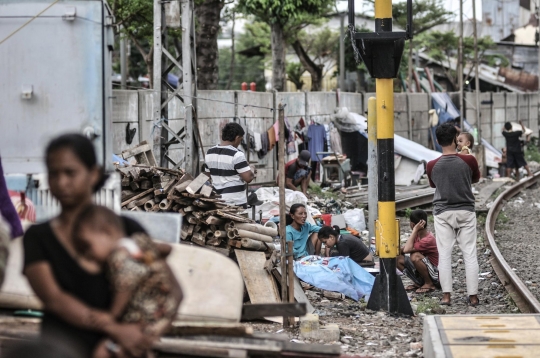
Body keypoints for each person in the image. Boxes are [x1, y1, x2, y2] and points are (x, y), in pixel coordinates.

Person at [23, 134, 154, 357]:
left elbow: (160, 286)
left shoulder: (127, 228)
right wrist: (115, 329)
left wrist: (132, 335)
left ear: (93, 174)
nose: (61, 182)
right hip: (59, 350)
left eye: (70, 173)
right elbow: (54, 299)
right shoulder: (38, 237)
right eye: (54, 174)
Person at [72, 205, 183, 358]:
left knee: (104, 352)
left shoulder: (119, 256)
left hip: (147, 314)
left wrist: (111, 315)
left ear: (107, 232)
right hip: (163, 310)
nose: (88, 255)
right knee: (137, 349)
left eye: (87, 247)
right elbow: (167, 249)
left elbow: (125, 285)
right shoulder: (136, 242)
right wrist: (153, 257)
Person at [426, 123, 481, 306]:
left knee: (444, 254)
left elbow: (434, 185)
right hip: (466, 211)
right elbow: (475, 178)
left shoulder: (432, 165)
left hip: (443, 213)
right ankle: (473, 297)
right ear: (454, 140)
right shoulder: (469, 160)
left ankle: (446, 296)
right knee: (470, 254)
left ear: (437, 141)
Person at [205, 122, 255, 207]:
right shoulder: (237, 154)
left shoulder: (209, 152)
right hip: (235, 202)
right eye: (240, 140)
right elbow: (248, 178)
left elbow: (208, 175)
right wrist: (251, 169)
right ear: (237, 138)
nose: (239, 143)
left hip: (217, 201)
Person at [396, 210, 440, 294]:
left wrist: (414, 230)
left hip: (436, 275)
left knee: (415, 256)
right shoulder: (417, 236)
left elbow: (406, 250)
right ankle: (419, 283)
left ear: (412, 224)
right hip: (427, 270)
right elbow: (403, 250)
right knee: (397, 258)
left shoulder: (428, 239)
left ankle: (429, 283)